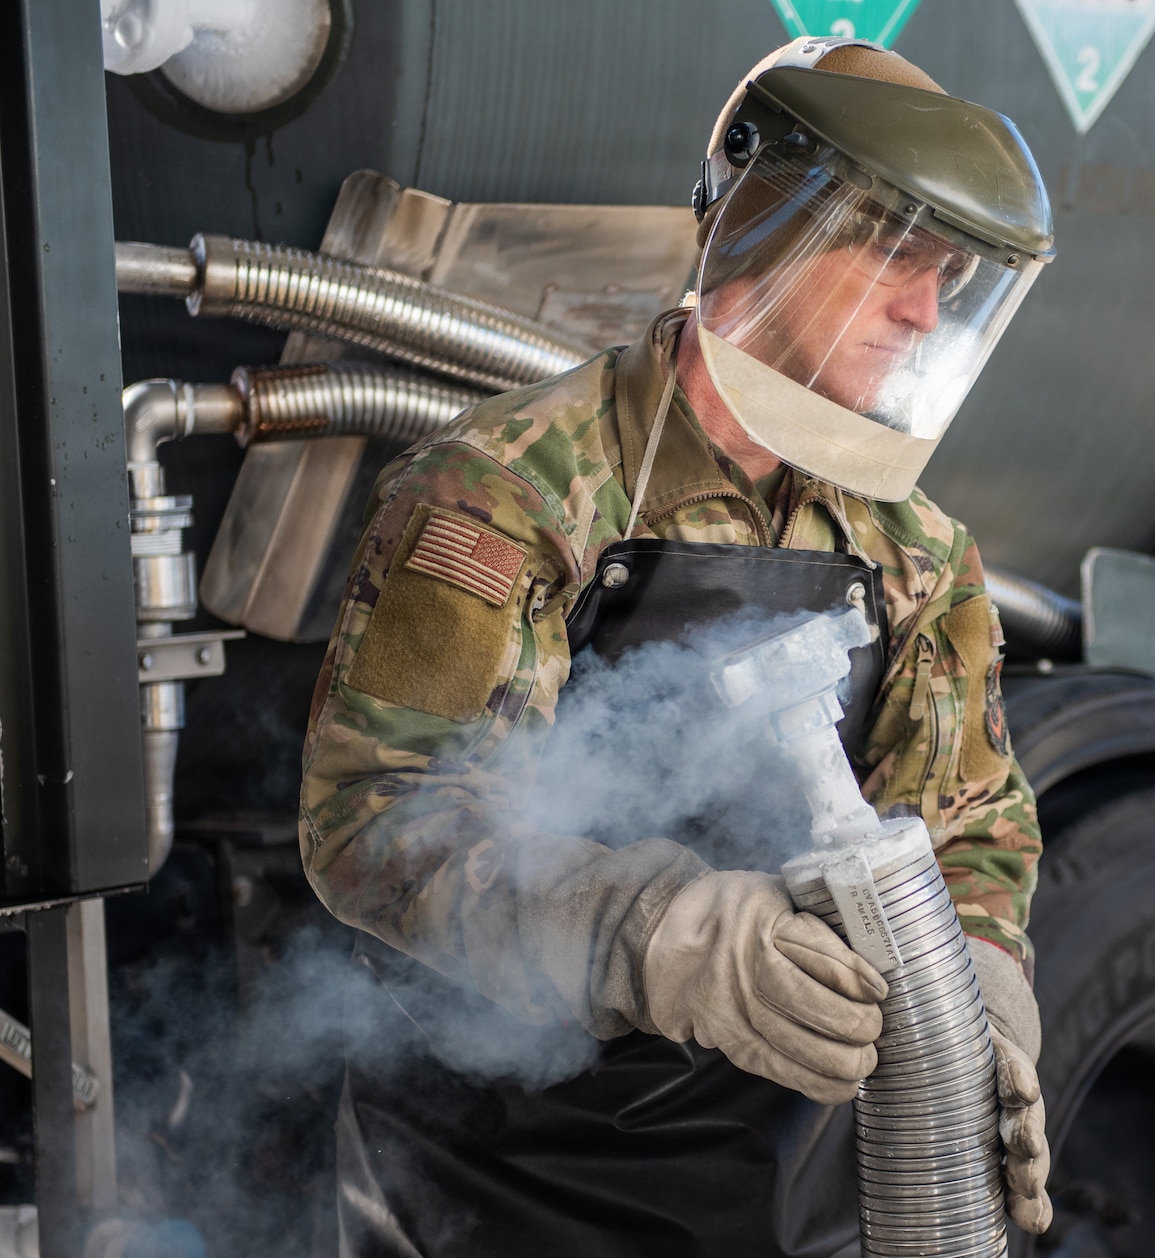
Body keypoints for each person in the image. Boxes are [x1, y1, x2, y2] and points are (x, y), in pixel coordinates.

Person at [298, 36, 1056, 1256]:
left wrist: (983, 1011)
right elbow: (383, 819)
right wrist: (671, 940)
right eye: (895, 255)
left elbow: (965, 826)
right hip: (496, 1172)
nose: (925, 310)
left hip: (777, 1176)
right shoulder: (507, 492)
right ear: (767, 227)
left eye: (951, 273)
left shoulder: (917, 549)